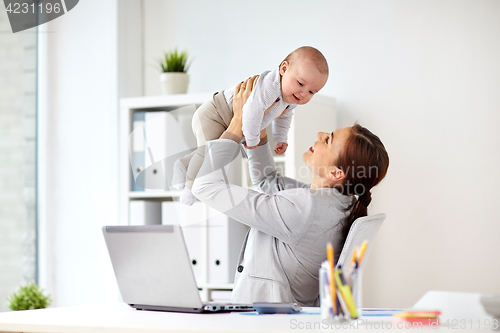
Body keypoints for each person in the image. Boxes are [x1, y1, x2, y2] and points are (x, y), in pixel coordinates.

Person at [191, 76, 390, 306]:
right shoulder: (338, 203)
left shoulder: (305, 208)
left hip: (264, 322)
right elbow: (268, 181)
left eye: (328, 140)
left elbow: (204, 186)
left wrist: (237, 124)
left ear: (336, 173)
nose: (320, 135)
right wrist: (259, 127)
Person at [173, 46, 329, 206]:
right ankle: (189, 188)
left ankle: (183, 164)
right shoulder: (270, 86)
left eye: (311, 92)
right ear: (283, 69)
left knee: (211, 153)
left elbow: (284, 118)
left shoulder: (290, 98)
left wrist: (280, 138)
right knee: (208, 153)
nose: (303, 93)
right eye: (301, 83)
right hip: (214, 114)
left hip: (228, 120)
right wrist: (252, 140)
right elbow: (251, 112)